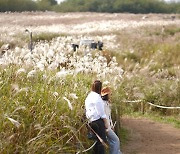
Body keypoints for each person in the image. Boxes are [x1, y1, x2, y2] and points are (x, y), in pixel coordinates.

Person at [85, 80, 109, 154]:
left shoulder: (89, 96)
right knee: (101, 143)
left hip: (90, 121)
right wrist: (106, 122)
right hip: (97, 121)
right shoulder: (97, 98)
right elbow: (101, 113)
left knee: (96, 143)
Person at [101, 87, 122, 154]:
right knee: (116, 140)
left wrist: (112, 125)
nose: (110, 95)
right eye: (109, 94)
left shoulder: (107, 103)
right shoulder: (103, 104)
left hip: (108, 126)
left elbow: (109, 116)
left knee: (112, 142)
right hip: (106, 126)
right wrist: (108, 127)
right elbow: (105, 117)